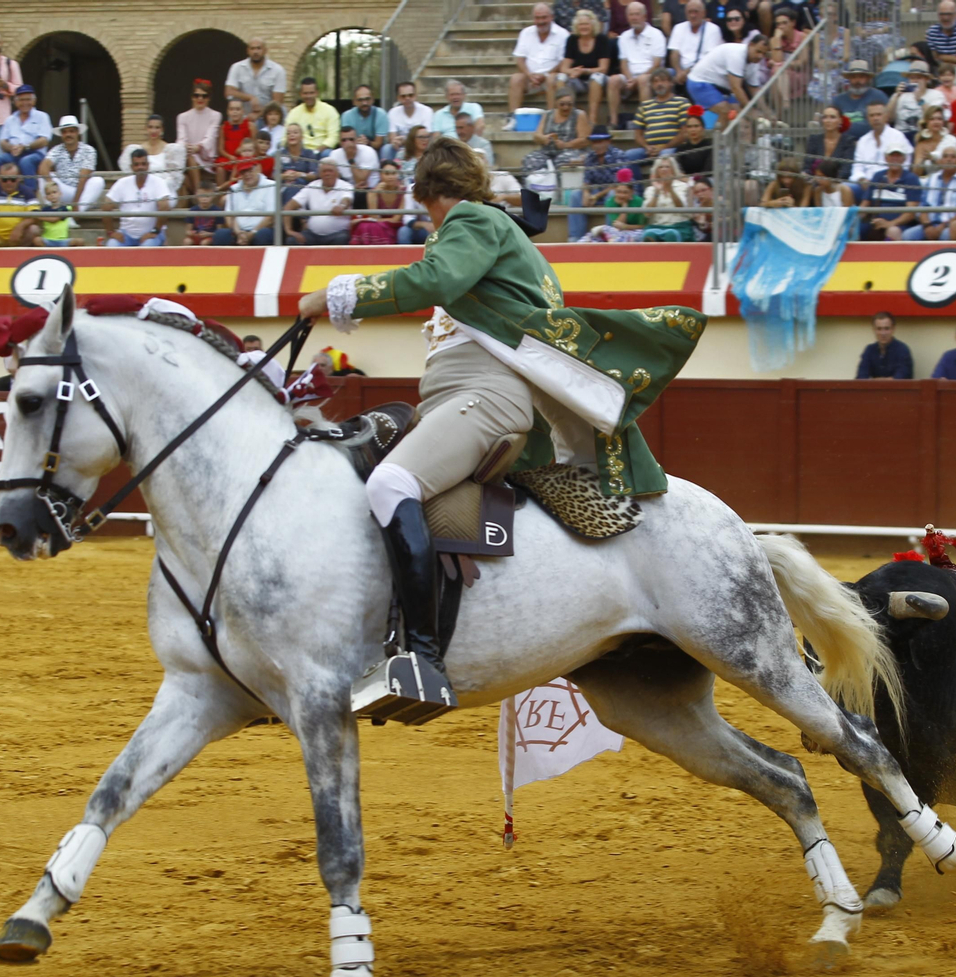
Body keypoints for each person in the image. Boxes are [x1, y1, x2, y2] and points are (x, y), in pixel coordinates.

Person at [293, 137, 705, 715]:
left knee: (391, 484)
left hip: (483, 399)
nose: (428, 221)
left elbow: (432, 280)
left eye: (425, 206)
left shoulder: (471, 220)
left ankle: (422, 659)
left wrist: (337, 295)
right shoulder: (493, 230)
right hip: (469, 400)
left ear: (434, 193)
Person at [0, 85, 51, 198]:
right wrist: (11, 148)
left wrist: (25, 147)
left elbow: (44, 140)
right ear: (16, 102)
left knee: (26, 161)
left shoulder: (42, 117)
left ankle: (31, 198)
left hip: (35, 154)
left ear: (34, 101)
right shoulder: (10, 119)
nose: (24, 103)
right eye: (21, 100)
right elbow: (2, 142)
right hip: (13, 153)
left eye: (28, 99)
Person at [509, 2, 570, 120]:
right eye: (537, 18)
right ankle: (513, 118)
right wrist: (529, 75)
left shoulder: (563, 34)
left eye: (544, 17)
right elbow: (520, 59)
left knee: (552, 79)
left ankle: (552, 118)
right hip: (530, 78)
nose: (541, 21)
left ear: (552, 17)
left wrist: (545, 75)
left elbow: (563, 61)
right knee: (516, 78)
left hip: (552, 77)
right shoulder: (526, 33)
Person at [683, 31, 765, 115]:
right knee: (729, 113)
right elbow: (735, 88)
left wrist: (767, 112)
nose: (760, 56)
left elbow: (754, 90)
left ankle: (721, 128)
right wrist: (750, 111)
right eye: (758, 51)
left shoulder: (755, 62)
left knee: (739, 116)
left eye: (763, 54)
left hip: (722, 87)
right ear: (750, 45)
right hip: (699, 82)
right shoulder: (737, 54)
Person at [103, 148, 172, 247]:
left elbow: (165, 207)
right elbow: (106, 206)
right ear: (131, 167)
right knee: (111, 246)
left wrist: (154, 231)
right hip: (126, 235)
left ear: (148, 165)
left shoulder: (158, 182)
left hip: (151, 235)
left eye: (143, 164)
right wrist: (111, 232)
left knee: (146, 248)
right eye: (137, 164)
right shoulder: (122, 183)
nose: (140, 167)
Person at [37, 115, 104, 210]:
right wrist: (51, 185)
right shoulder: (57, 149)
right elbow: (43, 167)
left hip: (82, 193)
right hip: (61, 191)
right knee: (42, 178)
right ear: (61, 135)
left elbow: (83, 179)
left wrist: (75, 204)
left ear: (77, 133)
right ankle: (52, 211)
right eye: (64, 132)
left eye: (71, 131)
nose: (68, 135)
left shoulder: (89, 150)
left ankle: (75, 214)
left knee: (98, 181)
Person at [286, 158, 355, 245]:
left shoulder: (346, 185)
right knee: (292, 241)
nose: (327, 173)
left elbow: (347, 199)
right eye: (324, 171)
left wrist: (341, 206)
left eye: (330, 171)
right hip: (312, 234)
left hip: (337, 234)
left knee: (342, 238)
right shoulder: (312, 185)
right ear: (319, 173)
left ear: (337, 173)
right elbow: (289, 206)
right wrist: (289, 231)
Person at [908, 145, 956, 239]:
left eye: (953, 157)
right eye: (945, 156)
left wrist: (943, 226)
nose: (949, 159)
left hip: (951, 225)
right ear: (940, 161)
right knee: (908, 235)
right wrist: (927, 226)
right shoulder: (931, 178)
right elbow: (923, 206)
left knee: (945, 235)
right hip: (929, 224)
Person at [521, 87, 587, 174]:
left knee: (563, 161)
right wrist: (543, 138)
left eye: (569, 104)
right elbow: (536, 136)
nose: (566, 107)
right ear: (556, 103)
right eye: (562, 104)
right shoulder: (547, 114)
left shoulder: (579, 115)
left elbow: (585, 140)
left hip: (570, 151)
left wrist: (566, 145)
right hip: (547, 152)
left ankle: (560, 186)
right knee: (530, 160)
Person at [860, 148, 921, 241]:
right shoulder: (878, 176)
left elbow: (910, 213)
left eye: (898, 156)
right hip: (874, 222)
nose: (895, 159)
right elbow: (865, 204)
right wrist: (853, 220)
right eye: (892, 155)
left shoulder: (911, 179)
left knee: (893, 231)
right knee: (854, 229)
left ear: (904, 159)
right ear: (886, 158)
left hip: (900, 224)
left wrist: (889, 223)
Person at [176, 79, 222, 196]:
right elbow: (181, 139)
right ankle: (199, 192)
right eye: (196, 95)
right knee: (190, 160)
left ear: (209, 98)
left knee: (191, 160)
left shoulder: (215, 115)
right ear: (192, 97)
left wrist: (198, 147)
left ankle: (197, 193)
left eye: (204, 96)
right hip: (189, 155)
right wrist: (187, 147)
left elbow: (210, 137)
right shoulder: (182, 117)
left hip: (205, 157)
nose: (200, 99)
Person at [630, 67, 687, 160]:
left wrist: (663, 147)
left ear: (671, 83)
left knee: (665, 154)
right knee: (629, 155)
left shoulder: (682, 102)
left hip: (672, 149)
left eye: (663, 81)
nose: (659, 84)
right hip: (649, 149)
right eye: (655, 81)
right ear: (652, 85)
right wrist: (646, 147)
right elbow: (637, 134)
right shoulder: (645, 105)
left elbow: (684, 132)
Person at [213, 163, 276, 246]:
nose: (247, 175)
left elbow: (271, 217)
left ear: (257, 169)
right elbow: (229, 215)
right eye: (243, 172)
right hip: (238, 231)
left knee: (263, 234)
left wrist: (252, 233)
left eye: (250, 171)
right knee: (221, 234)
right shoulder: (234, 188)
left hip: (260, 230)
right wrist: (239, 233)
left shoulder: (271, 185)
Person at [127, 114, 186, 200]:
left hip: (164, 191)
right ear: (146, 129)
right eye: (150, 127)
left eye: (157, 127)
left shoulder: (171, 150)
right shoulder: (138, 149)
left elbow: (174, 178)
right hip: (143, 191)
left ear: (162, 130)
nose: (153, 131)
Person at [851, 99, 912, 182]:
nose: (875, 118)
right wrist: (862, 179)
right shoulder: (863, 141)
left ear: (886, 116)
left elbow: (906, 164)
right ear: (867, 118)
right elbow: (857, 168)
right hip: (865, 184)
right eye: (872, 115)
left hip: (890, 182)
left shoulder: (897, 136)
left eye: (879, 115)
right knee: (845, 188)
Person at [668, 0, 720, 96]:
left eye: (696, 12)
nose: (693, 15)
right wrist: (679, 71)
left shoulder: (713, 29)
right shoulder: (678, 28)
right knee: (664, 75)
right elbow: (674, 53)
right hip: (681, 71)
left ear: (704, 13)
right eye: (690, 12)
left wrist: (687, 72)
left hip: (703, 71)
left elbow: (709, 58)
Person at [640, 153, 694, 239]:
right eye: (661, 167)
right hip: (656, 226)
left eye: (667, 167)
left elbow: (681, 207)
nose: (664, 169)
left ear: (673, 169)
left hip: (677, 226)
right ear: (656, 170)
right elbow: (647, 213)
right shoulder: (650, 189)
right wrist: (657, 192)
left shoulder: (682, 186)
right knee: (649, 235)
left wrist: (670, 189)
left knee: (670, 235)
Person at [225, 36, 286, 112]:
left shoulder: (277, 70)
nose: (255, 52)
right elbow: (229, 92)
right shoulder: (237, 67)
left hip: (268, 118)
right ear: (247, 51)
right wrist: (251, 98)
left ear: (265, 50)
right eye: (252, 48)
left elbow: (277, 102)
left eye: (258, 48)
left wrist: (258, 115)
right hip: (243, 117)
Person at [286, 76, 340, 152]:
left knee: (327, 154)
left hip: (322, 151)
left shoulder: (329, 110)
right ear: (300, 94)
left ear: (317, 93)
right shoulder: (294, 113)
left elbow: (334, 137)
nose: (308, 96)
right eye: (305, 93)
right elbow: (286, 135)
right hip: (299, 152)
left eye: (311, 93)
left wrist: (318, 150)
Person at [833, 60, 887, 135]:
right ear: (849, 79)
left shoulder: (878, 96)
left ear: (867, 78)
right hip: (844, 143)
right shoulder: (839, 100)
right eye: (854, 77)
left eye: (861, 77)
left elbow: (886, 121)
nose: (857, 81)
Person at [857, 311, 912, 378]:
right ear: (874, 330)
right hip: (873, 389)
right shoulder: (869, 350)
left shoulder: (902, 350)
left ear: (893, 329)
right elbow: (861, 378)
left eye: (886, 328)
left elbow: (900, 379)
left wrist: (873, 381)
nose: (883, 333)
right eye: (879, 329)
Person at [341, 85, 389, 151]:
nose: (364, 103)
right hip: (353, 149)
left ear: (373, 99)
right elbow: (345, 141)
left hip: (376, 150)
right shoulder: (347, 115)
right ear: (354, 102)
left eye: (367, 99)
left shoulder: (380, 114)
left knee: (386, 149)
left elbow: (379, 143)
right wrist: (357, 142)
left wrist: (367, 143)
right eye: (360, 100)